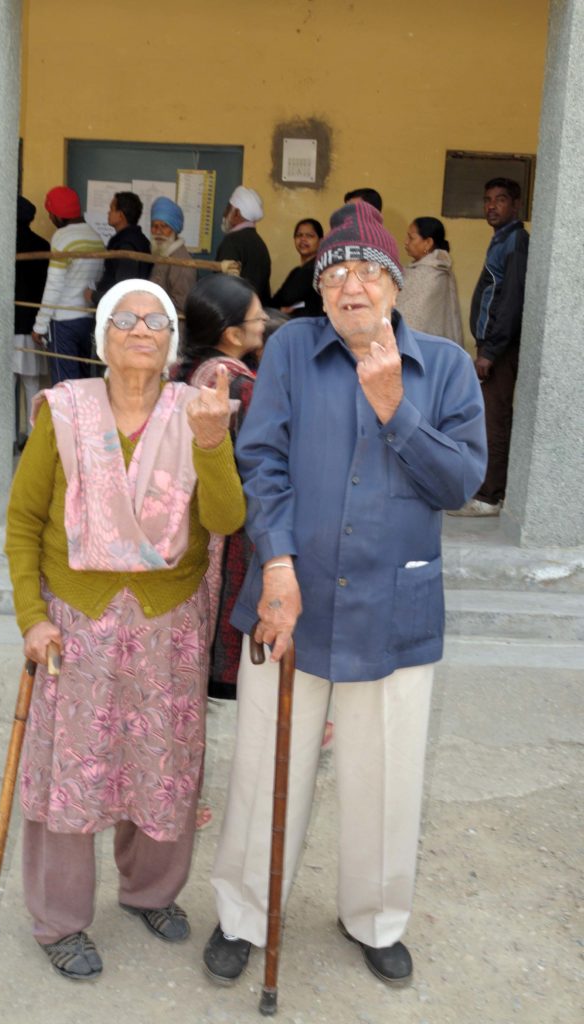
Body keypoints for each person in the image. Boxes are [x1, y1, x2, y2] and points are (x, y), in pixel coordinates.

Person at [201, 201, 486, 992]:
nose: (349, 285)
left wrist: (397, 408)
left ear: (395, 285)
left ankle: (375, 918)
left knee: (386, 772)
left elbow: (459, 483)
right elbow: (263, 462)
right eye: (334, 272)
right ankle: (245, 914)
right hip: (289, 600)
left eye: (366, 271)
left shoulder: (447, 368)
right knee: (265, 765)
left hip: (396, 604)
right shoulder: (293, 349)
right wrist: (279, 564)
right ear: (319, 289)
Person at [5, 278, 245, 982]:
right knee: (69, 778)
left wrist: (211, 444)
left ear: (172, 342)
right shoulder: (64, 413)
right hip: (76, 621)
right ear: (103, 338)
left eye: (157, 320)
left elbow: (227, 520)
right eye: (125, 319)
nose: (141, 329)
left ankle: (149, 893)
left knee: (162, 767)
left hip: (170, 622)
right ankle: (59, 919)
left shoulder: (196, 411)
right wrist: (32, 616)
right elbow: (23, 524)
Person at [173, 274, 266, 700]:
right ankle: (225, 676)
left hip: (181, 515)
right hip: (228, 518)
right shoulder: (239, 386)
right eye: (256, 316)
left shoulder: (182, 370)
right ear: (232, 334)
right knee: (229, 585)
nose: (264, 320)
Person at [450, 178, 529, 516]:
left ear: (516, 206)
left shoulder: (516, 242)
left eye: (500, 200)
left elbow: (511, 300)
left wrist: (491, 351)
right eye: (487, 200)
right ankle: (491, 491)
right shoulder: (501, 240)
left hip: (501, 348)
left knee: (494, 420)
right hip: (493, 345)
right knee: (490, 417)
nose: (492, 206)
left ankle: (489, 497)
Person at [32, 186, 105, 385]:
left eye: (50, 214)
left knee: (65, 385)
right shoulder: (95, 237)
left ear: (58, 215)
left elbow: (54, 285)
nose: (50, 219)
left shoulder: (62, 238)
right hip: (87, 320)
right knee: (83, 382)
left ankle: (66, 418)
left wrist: (40, 325)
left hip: (63, 321)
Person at [14, 196, 49, 450]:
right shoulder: (42, 244)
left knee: (6, 385)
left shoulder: (3, 242)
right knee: (31, 382)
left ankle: (9, 436)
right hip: (32, 323)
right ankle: (34, 437)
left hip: (6, 324)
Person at [396, 217, 463, 344]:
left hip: (424, 346)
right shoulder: (420, 269)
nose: (406, 242)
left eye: (411, 238)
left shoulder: (434, 272)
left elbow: (412, 319)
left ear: (428, 243)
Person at [86, 191, 152, 306]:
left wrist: (94, 296)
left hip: (120, 311)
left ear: (121, 216)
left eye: (111, 209)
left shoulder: (126, 246)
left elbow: (123, 291)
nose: (108, 212)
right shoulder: (139, 239)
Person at [216, 186, 271, 304]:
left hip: (236, 314)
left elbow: (223, 287)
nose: (224, 214)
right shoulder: (259, 243)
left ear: (236, 213)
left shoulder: (232, 241)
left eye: (227, 209)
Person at [148, 196, 197, 319]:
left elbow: (182, 305)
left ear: (174, 229)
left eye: (164, 226)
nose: (158, 231)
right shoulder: (163, 254)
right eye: (154, 226)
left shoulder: (181, 261)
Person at [270, 219, 325, 318]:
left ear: (320, 241)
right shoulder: (296, 272)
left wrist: (279, 309)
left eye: (309, 236)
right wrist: (280, 309)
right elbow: (275, 301)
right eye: (299, 235)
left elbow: (287, 297)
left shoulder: (319, 269)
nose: (303, 239)